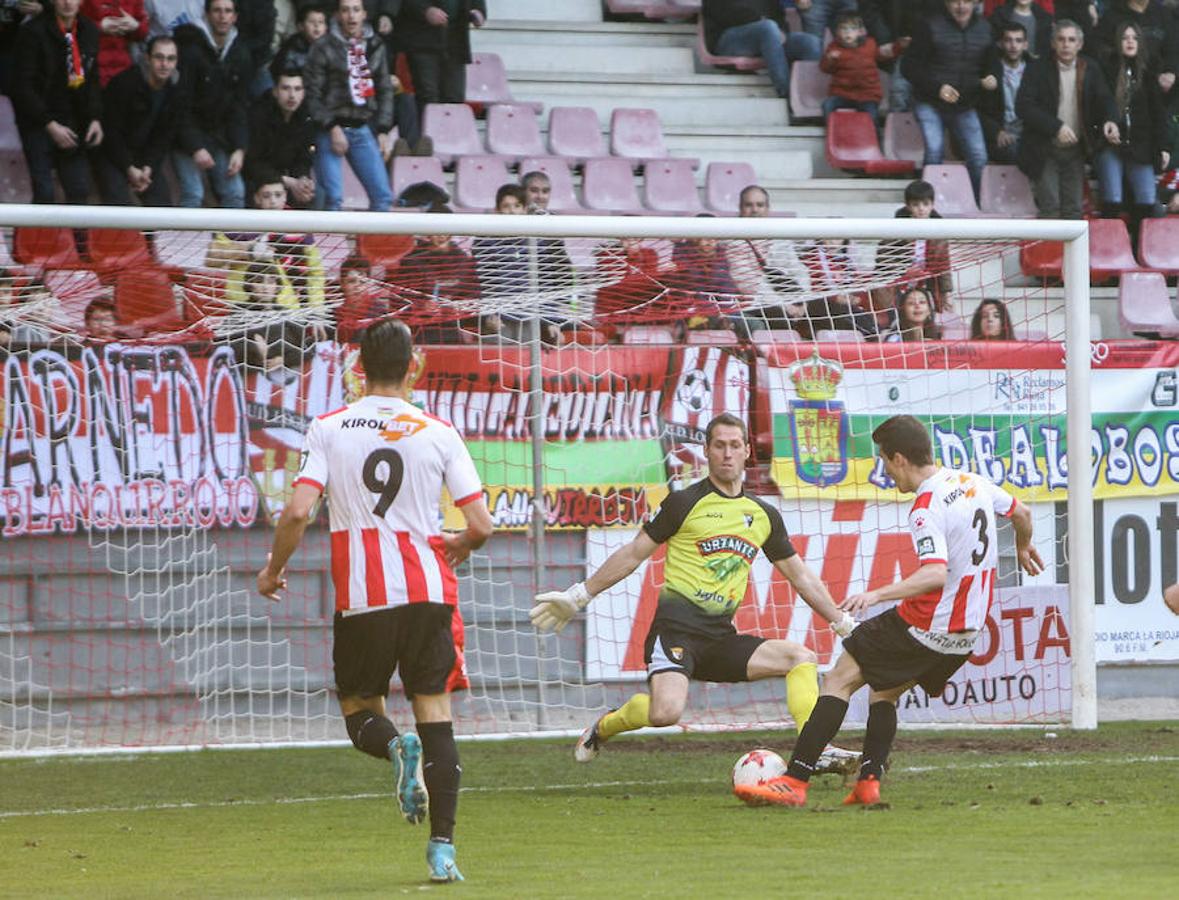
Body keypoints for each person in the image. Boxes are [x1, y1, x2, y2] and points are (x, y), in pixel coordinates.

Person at [257, 318, 493, 883]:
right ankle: (442, 851)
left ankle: (393, 750)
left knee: (360, 710)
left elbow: (296, 511)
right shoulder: (437, 430)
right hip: (430, 594)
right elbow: (481, 523)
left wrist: (273, 570)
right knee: (438, 719)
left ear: (357, 367)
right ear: (413, 366)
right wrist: (459, 542)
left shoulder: (330, 427)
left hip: (364, 596)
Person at [735, 414, 1044, 808]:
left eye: (883, 460)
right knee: (884, 692)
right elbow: (1022, 514)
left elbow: (934, 574)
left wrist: (877, 594)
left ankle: (794, 781)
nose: (885, 470)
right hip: (966, 634)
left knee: (838, 680)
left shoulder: (925, 506)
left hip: (926, 623)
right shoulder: (971, 482)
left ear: (898, 458)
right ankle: (868, 782)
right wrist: (1022, 546)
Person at [531, 413, 861, 775]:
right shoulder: (684, 502)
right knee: (665, 712)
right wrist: (579, 595)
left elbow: (800, 575)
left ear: (747, 451)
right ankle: (602, 727)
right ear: (706, 451)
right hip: (676, 633)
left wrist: (841, 622)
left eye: (735, 445)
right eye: (719, 445)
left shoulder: (763, 515)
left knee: (801, 657)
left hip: (720, 638)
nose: (727, 453)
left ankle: (814, 749)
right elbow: (633, 553)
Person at [1016, 19, 1118, 220]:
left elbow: (1105, 99)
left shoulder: (1090, 68)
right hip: (1043, 149)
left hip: (1076, 150)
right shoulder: (1037, 68)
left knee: (1074, 211)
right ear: (1053, 43)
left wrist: (1110, 120)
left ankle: (1071, 254)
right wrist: (1056, 127)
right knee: (1050, 209)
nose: (1066, 44)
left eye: (1071, 40)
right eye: (1061, 39)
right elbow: (1023, 107)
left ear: (1080, 44)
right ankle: (1050, 253)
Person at [304, 0, 395, 211]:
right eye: (345, 11)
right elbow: (312, 94)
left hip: (362, 126)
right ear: (337, 15)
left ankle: (372, 245)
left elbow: (384, 88)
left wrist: (382, 129)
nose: (351, 16)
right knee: (333, 198)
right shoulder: (323, 46)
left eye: (355, 10)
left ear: (364, 14)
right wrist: (331, 127)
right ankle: (327, 244)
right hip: (329, 128)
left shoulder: (375, 45)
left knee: (383, 197)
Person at [11, 0, 105, 205]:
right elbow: (22, 87)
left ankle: (79, 238)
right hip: (38, 121)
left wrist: (95, 118)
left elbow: (93, 79)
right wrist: (50, 125)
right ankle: (37, 237)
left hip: (74, 119)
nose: (67, 2)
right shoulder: (32, 32)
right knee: (44, 190)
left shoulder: (89, 30)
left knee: (79, 190)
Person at [902, 0, 993, 199]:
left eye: (966, 1)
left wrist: (992, 77)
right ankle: (925, 206)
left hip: (965, 104)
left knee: (979, 156)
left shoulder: (986, 28)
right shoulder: (928, 26)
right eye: (955, 1)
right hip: (929, 101)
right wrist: (937, 88)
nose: (961, 6)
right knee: (934, 151)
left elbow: (991, 65)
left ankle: (977, 204)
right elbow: (908, 67)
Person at [173, 0, 252, 209]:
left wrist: (239, 148)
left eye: (228, 11)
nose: (223, 16)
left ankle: (232, 242)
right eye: (217, 10)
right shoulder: (189, 49)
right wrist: (195, 146)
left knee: (235, 193)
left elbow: (239, 107)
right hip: (184, 138)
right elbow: (179, 105)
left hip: (218, 137)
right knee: (193, 194)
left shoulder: (241, 53)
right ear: (207, 14)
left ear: (235, 16)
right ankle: (187, 243)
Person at [1095, 21, 1170, 233]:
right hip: (1111, 144)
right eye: (1125, 38)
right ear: (1117, 42)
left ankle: (1137, 250)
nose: (1129, 42)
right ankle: (1110, 251)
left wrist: (1163, 146)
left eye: (1134, 38)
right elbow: (1098, 102)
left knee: (1146, 199)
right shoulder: (1106, 69)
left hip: (1140, 145)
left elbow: (1158, 113)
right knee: (1112, 200)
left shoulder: (1148, 72)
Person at [98, 34, 182, 206]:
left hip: (144, 157)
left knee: (163, 209)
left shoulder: (175, 91)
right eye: (159, 57)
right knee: (119, 208)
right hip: (111, 154)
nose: (165, 64)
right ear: (147, 58)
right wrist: (129, 168)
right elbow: (110, 132)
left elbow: (163, 138)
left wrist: (148, 167)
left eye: (170, 59)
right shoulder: (124, 83)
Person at [700, 0, 820, 107]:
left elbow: (778, 15)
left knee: (809, 42)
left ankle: (808, 101)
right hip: (727, 39)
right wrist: (760, 20)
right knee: (768, 27)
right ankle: (788, 97)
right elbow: (725, 13)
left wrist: (781, 30)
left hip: (767, 35)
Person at [724, 185, 811, 332]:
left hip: (791, 300)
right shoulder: (733, 241)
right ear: (740, 208)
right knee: (781, 319)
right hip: (755, 304)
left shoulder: (779, 238)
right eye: (749, 205)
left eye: (760, 205)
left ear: (768, 208)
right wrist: (785, 306)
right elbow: (750, 285)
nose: (755, 210)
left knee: (836, 311)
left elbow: (799, 270)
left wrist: (803, 300)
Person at [874, 180, 955, 313]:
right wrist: (904, 271)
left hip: (927, 286)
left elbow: (944, 265)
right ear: (908, 206)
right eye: (916, 205)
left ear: (932, 205)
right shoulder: (895, 230)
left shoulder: (940, 232)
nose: (921, 208)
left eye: (925, 204)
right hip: (899, 284)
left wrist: (947, 293)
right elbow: (882, 258)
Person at [395, 0, 486, 117]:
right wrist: (425, 10)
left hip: (455, 41)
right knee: (428, 96)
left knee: (455, 97)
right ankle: (428, 133)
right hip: (422, 40)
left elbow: (477, 5)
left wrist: (479, 12)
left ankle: (451, 133)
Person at [246, 66, 318, 205]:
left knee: (314, 195)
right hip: (258, 179)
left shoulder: (306, 116)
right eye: (286, 88)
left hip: (288, 177)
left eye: (297, 89)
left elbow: (304, 158)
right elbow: (252, 163)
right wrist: (286, 181)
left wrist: (302, 179)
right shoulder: (258, 115)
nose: (292, 95)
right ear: (275, 91)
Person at [819, 11, 891, 121]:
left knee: (871, 117)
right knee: (827, 105)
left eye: (852, 29)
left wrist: (895, 49)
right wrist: (829, 59)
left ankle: (874, 136)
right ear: (837, 32)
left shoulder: (870, 44)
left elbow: (882, 56)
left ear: (860, 31)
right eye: (843, 29)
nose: (848, 33)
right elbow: (824, 68)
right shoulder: (833, 47)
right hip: (842, 93)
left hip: (868, 94)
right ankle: (832, 132)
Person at [979, 22, 1031, 163]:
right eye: (1008, 40)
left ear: (1025, 45)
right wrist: (996, 131)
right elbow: (979, 110)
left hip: (1028, 133)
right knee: (1014, 151)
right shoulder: (989, 72)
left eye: (1018, 41)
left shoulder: (1035, 72)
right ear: (1001, 44)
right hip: (1001, 133)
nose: (1013, 45)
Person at [80, 0, 147, 86]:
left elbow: (143, 32)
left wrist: (135, 26)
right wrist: (99, 27)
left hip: (123, 68)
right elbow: (72, 26)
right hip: (93, 67)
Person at [270, 3, 327, 78]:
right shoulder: (292, 48)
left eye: (321, 22)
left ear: (326, 28)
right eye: (311, 21)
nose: (316, 25)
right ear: (300, 27)